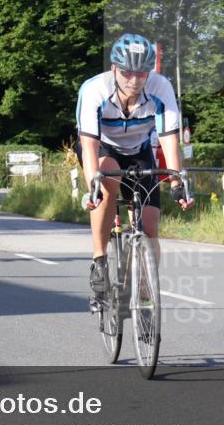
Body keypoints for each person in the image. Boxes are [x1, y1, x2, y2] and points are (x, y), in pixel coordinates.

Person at [76, 33, 193, 310]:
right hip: (103, 148)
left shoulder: (160, 87)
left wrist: (177, 183)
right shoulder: (94, 90)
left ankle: (142, 296)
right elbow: (89, 145)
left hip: (139, 151)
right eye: (128, 73)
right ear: (114, 68)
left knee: (150, 225)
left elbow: (168, 139)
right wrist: (92, 186)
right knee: (109, 175)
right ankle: (100, 261)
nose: (135, 80)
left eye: (141, 73)